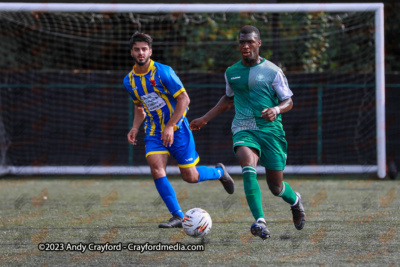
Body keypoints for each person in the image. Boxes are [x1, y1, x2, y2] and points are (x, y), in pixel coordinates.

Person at [189, 25, 305, 240]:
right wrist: (205, 118)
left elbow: (288, 101)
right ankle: (260, 221)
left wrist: (276, 109)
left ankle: (295, 201)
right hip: (243, 128)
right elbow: (228, 98)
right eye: (242, 42)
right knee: (247, 166)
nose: (245, 46)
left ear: (258, 43)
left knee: (276, 187)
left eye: (250, 42)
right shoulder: (232, 72)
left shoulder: (272, 70)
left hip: (271, 132)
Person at [123, 32, 234, 229]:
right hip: (153, 132)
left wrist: (170, 126)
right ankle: (178, 216)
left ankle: (219, 172)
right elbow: (139, 107)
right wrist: (135, 126)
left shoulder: (163, 72)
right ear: (131, 52)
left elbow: (184, 99)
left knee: (190, 177)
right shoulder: (129, 81)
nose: (141, 52)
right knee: (157, 169)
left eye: (144, 49)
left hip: (178, 129)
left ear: (150, 51)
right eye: (137, 49)